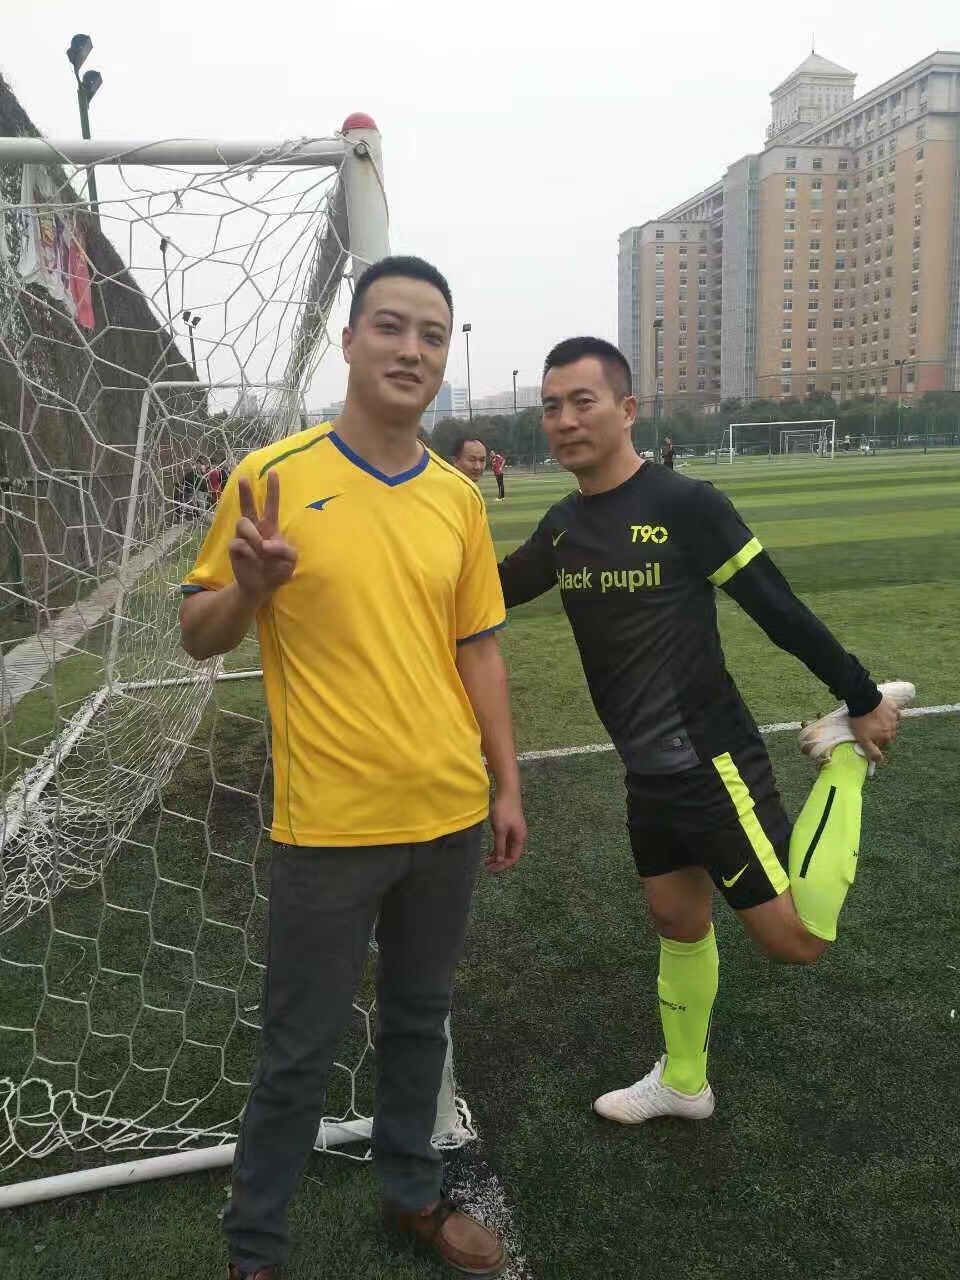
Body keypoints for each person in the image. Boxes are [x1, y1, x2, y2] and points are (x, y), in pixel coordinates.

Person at [180, 256, 525, 1280]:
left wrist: (506, 781)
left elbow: (478, 647)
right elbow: (198, 635)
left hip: (447, 814)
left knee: (420, 1021)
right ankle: (256, 1248)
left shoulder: (457, 497)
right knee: (299, 1048)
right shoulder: (272, 477)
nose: (412, 349)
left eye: (432, 333)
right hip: (329, 824)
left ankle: (411, 1192)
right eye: (391, 326)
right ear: (349, 340)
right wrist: (250, 589)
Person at [498, 335, 912, 1127]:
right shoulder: (561, 528)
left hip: (710, 760)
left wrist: (859, 696)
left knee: (797, 939)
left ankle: (843, 760)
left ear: (626, 409)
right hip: (646, 773)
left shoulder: (685, 505)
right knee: (676, 919)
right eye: (551, 407)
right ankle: (685, 1083)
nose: (564, 420)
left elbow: (775, 605)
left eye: (582, 401)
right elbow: (489, 590)